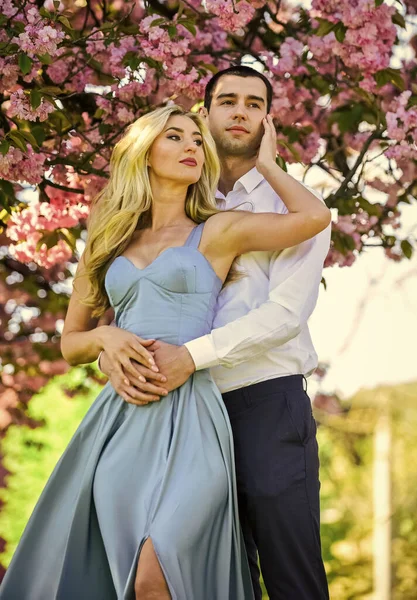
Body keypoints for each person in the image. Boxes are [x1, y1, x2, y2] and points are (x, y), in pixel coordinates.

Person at [0, 104, 330, 600]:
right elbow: (72, 342)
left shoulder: (219, 230)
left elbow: (314, 217)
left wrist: (267, 164)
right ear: (144, 151)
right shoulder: (106, 241)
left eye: (198, 141)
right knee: (128, 578)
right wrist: (107, 337)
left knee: (161, 564)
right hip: (123, 420)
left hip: (194, 413)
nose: (192, 147)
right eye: (175, 137)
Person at [99, 66, 332, 600]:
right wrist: (112, 348)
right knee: (213, 581)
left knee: (290, 575)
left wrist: (193, 355)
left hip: (264, 401)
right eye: (228, 100)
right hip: (185, 412)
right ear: (205, 114)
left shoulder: (289, 202)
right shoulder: (182, 203)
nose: (241, 111)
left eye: (254, 103)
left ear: (268, 119)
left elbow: (285, 316)